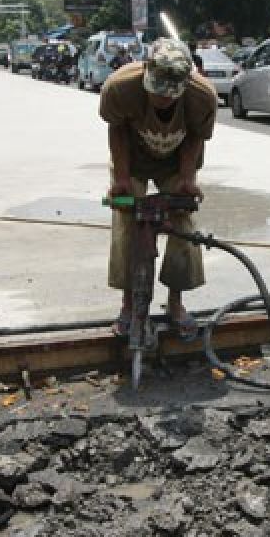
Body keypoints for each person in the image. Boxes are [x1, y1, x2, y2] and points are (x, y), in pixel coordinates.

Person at [100, 38, 217, 340]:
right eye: (157, 93)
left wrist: (188, 180)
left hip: (175, 163)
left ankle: (176, 303)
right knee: (127, 218)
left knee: (183, 222)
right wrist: (122, 180)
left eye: (169, 96)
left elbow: (195, 137)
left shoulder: (202, 97)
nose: (162, 100)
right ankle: (128, 305)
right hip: (133, 160)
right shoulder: (120, 88)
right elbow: (117, 131)